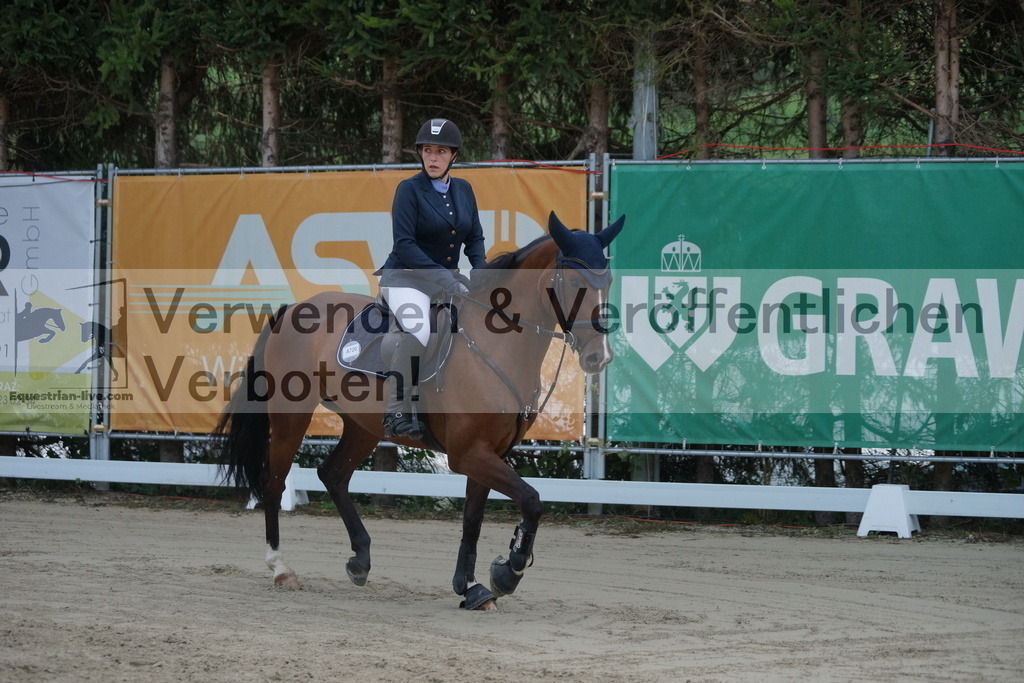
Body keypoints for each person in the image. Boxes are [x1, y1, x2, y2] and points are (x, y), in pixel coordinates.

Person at [375, 118, 487, 439]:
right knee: (420, 327)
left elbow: (475, 238)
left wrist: (480, 273)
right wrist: (443, 277)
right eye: (427, 151)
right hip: (405, 278)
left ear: (453, 155)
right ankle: (397, 410)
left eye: (440, 151)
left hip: (446, 281)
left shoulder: (463, 189)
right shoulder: (409, 189)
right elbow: (404, 244)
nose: (432, 158)